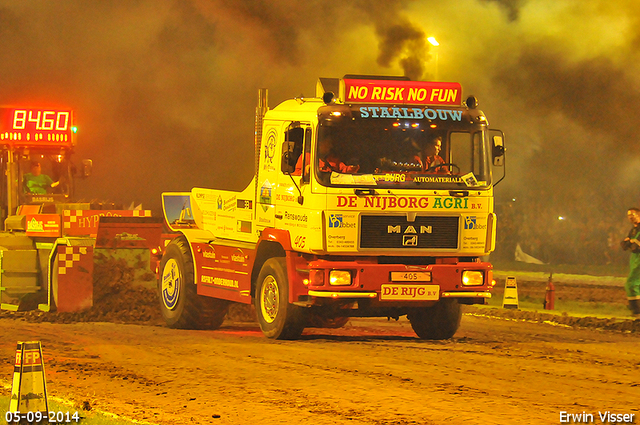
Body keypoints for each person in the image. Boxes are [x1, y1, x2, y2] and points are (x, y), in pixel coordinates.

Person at [293, 136, 359, 176]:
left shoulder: (332, 158)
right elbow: (295, 174)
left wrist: (353, 167)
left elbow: (343, 170)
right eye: (328, 143)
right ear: (320, 143)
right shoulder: (307, 156)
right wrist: (305, 171)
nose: (330, 146)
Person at [620, 207, 640, 317]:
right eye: (628, 215)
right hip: (635, 258)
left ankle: (636, 310)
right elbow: (628, 241)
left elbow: (635, 245)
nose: (630, 217)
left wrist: (634, 243)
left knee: (631, 283)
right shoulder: (633, 229)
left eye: (633, 214)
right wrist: (626, 243)